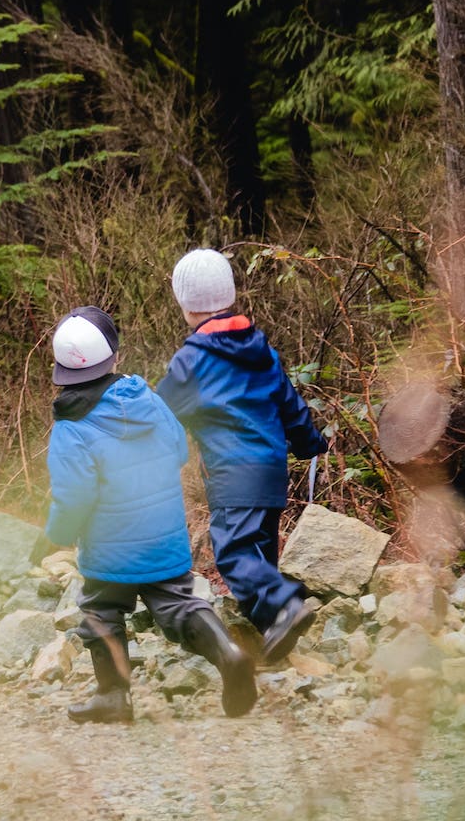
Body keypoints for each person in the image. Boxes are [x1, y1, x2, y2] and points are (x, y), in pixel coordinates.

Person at [43, 307, 256, 725]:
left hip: (109, 548)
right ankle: (228, 653)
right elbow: (178, 450)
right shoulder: (147, 398)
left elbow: (74, 496)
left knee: (99, 610)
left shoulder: (71, 427)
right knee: (178, 604)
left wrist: (58, 533)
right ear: (113, 357)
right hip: (165, 534)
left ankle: (114, 697)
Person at [157, 248, 329, 663]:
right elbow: (289, 402)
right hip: (272, 471)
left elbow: (159, 413)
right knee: (259, 556)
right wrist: (309, 443)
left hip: (233, 473)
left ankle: (286, 606)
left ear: (185, 304)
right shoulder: (259, 348)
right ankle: (272, 636)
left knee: (234, 554)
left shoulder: (193, 360)